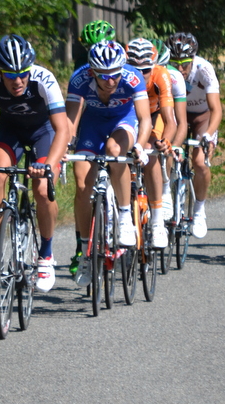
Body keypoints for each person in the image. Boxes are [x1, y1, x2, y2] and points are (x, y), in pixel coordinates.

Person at [0, 34, 69, 292]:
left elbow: (62, 129)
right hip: (10, 131)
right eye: (9, 75)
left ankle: (46, 256)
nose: (17, 81)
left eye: (22, 74)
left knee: (42, 188)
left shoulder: (44, 78)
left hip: (44, 132)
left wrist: (50, 165)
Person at [66, 40, 152, 287]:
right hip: (92, 125)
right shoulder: (80, 78)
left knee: (116, 152)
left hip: (124, 121)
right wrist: (65, 147)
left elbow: (145, 119)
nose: (110, 81)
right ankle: (85, 252)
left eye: (115, 75)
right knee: (82, 184)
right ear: (92, 71)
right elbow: (71, 121)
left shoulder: (133, 77)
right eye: (103, 76)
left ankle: (125, 217)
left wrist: (140, 145)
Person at [166, 32, 221, 239]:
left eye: (185, 64)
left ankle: (199, 210)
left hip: (202, 116)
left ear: (193, 59)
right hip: (175, 113)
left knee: (199, 162)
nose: (180, 69)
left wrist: (207, 135)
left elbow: (216, 109)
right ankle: (165, 197)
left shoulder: (204, 69)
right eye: (175, 63)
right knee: (166, 152)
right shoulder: (164, 69)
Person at [125, 38, 177, 248]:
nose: (139, 75)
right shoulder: (120, 76)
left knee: (150, 150)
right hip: (129, 116)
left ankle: (157, 222)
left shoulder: (161, 76)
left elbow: (170, 120)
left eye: (145, 70)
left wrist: (165, 141)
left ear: (153, 66)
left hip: (154, 117)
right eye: (134, 69)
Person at [153, 39, 188, 219]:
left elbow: (180, 121)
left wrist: (175, 145)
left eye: (161, 67)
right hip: (147, 111)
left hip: (166, 111)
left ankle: (165, 190)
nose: (156, 73)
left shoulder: (175, 78)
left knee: (163, 143)